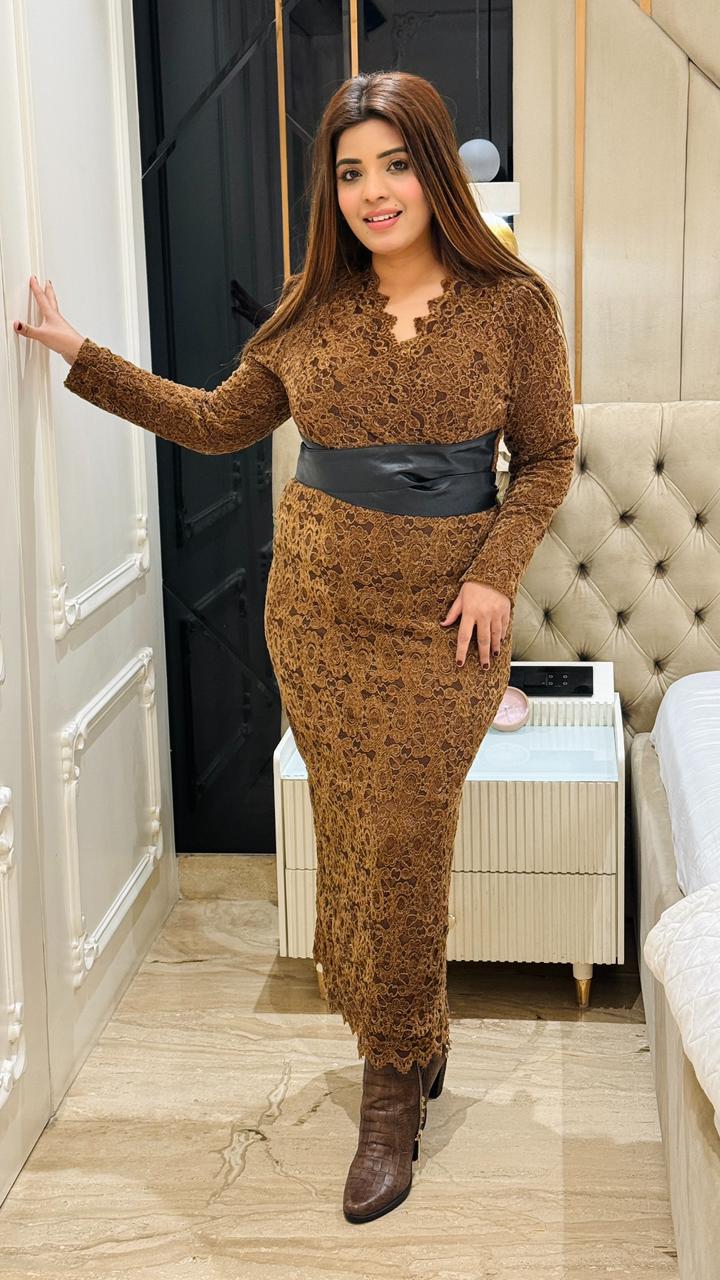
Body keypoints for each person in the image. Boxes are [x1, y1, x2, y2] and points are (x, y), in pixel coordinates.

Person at [13, 69, 577, 1224]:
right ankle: (407, 1042)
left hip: (446, 628)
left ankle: (392, 1083)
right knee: (361, 840)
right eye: (351, 170)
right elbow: (216, 420)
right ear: (333, 187)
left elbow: (549, 458)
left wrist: (493, 570)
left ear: (435, 168)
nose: (375, 190)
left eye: (397, 163)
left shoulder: (514, 304)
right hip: (319, 621)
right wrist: (80, 352)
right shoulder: (309, 308)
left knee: (408, 837)